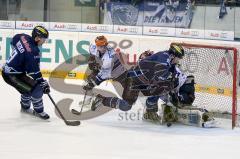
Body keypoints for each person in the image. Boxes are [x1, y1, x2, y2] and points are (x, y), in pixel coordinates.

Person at [89, 43, 185, 113]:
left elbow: (162, 78)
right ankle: (102, 100)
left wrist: (174, 94)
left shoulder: (170, 62)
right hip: (133, 80)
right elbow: (160, 74)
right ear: (174, 55)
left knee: (165, 86)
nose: (179, 60)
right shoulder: (164, 56)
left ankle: (151, 107)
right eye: (179, 58)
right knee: (126, 106)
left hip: (143, 82)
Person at [1, 26, 50, 120]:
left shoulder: (23, 37)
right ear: (37, 38)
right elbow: (34, 72)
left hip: (13, 72)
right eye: (44, 39)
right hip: (11, 75)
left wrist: (19, 58)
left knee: (27, 87)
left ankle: (25, 107)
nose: (44, 42)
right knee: (38, 89)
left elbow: (13, 41)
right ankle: (39, 111)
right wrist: (43, 83)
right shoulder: (33, 52)